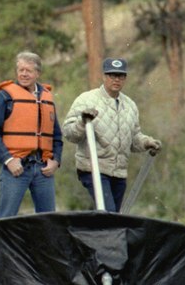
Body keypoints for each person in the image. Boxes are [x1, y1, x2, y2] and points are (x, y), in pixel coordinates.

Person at [62, 58, 161, 212]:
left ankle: (97, 235)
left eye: (120, 76)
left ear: (125, 79)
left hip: (119, 171)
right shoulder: (86, 99)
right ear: (104, 76)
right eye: (112, 75)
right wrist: (82, 121)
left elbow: (134, 139)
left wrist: (147, 142)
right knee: (107, 213)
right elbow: (69, 133)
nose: (116, 79)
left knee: (113, 216)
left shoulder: (130, 105)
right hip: (93, 168)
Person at [0, 51, 63, 218]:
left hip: (43, 169)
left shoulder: (47, 98)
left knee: (49, 220)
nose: (23, 74)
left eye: (28, 70)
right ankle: (0, 245)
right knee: (5, 218)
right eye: (20, 70)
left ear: (38, 73)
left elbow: (56, 135)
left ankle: (46, 245)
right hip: (16, 167)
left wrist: (56, 160)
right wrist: (8, 160)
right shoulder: (4, 96)